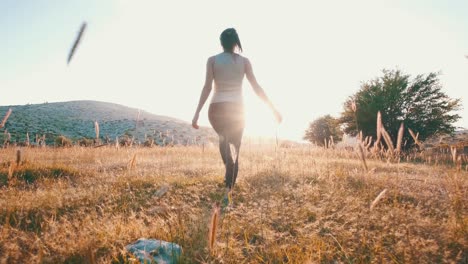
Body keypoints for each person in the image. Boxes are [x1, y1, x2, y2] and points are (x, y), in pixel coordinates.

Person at [192, 28, 282, 204]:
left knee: (224, 140)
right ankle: (229, 187)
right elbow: (256, 86)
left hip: (216, 108)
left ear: (221, 42)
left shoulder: (212, 60)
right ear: (236, 43)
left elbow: (207, 87)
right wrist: (273, 109)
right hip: (238, 110)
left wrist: (197, 113)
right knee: (236, 147)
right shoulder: (244, 62)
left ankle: (228, 175)